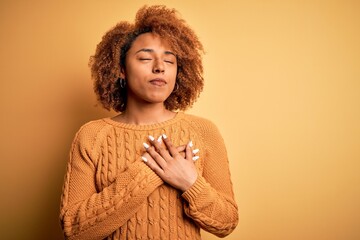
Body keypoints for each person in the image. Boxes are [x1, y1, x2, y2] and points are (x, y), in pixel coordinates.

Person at [60, 5, 238, 240]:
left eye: (170, 60)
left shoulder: (203, 131)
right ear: (121, 70)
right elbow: (74, 230)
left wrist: (190, 182)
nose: (159, 67)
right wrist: (149, 171)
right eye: (145, 58)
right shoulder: (92, 135)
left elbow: (226, 222)